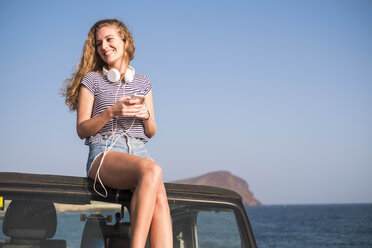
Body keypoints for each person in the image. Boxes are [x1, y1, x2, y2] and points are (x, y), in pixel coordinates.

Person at [62, 19, 173, 248]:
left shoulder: (143, 81)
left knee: (160, 199)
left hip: (139, 150)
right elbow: (82, 129)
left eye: (109, 39)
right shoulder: (92, 80)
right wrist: (112, 111)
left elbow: (151, 132)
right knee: (153, 169)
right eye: (99, 43)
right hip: (104, 151)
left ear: (124, 41)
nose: (104, 46)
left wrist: (146, 115)